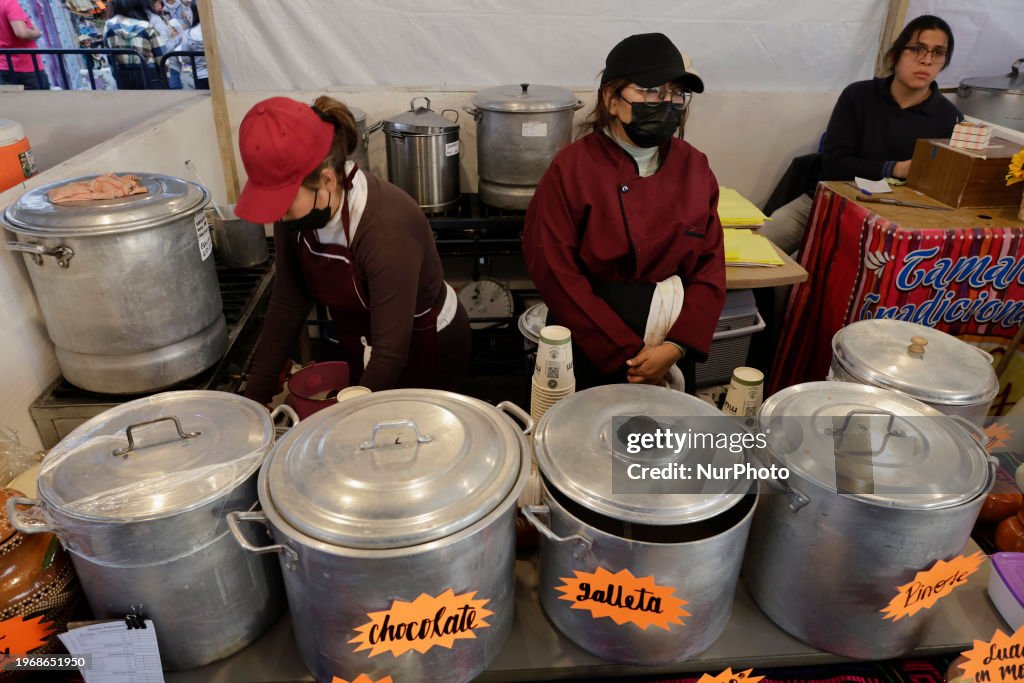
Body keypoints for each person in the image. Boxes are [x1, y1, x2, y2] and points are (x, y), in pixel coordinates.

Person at [235, 96, 472, 404]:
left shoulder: (386, 228)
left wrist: (346, 420)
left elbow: (390, 352)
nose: (278, 216)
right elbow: (288, 302)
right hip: (366, 344)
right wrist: (253, 403)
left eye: (284, 202)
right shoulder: (295, 213)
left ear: (328, 180)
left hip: (426, 345)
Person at [522, 32, 725, 392]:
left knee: (658, 442)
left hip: (670, 343)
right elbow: (554, 270)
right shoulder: (573, 168)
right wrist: (625, 352)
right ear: (611, 99)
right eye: (650, 92)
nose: (666, 103)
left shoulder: (694, 166)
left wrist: (678, 345)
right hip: (592, 341)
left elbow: (710, 266)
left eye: (676, 93)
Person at [762, 14, 963, 255]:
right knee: (763, 241)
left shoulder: (948, 117)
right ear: (895, 55)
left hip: (891, 218)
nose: (927, 60)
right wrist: (896, 169)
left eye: (938, 53)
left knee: (808, 272)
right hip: (827, 199)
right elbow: (835, 164)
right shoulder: (858, 96)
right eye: (917, 49)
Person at [102, 0, 169, 90]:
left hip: (123, 80)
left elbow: (109, 57)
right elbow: (161, 58)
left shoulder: (108, 26)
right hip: (150, 78)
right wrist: (166, 79)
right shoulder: (147, 27)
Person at [0, 0, 48, 90]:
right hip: (27, 69)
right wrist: (37, 33)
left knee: (13, 102)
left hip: (4, 69)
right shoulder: (9, 3)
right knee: (40, 101)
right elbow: (21, 33)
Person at [148, 0, 184, 88]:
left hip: (157, 66)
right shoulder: (155, 19)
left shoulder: (153, 17)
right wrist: (179, 37)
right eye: (157, 2)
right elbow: (166, 47)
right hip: (168, 65)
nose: (160, 6)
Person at [180, 5, 206, 89]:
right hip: (222, 75)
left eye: (188, 11)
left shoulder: (188, 33)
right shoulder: (218, 30)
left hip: (199, 74)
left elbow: (185, 58)